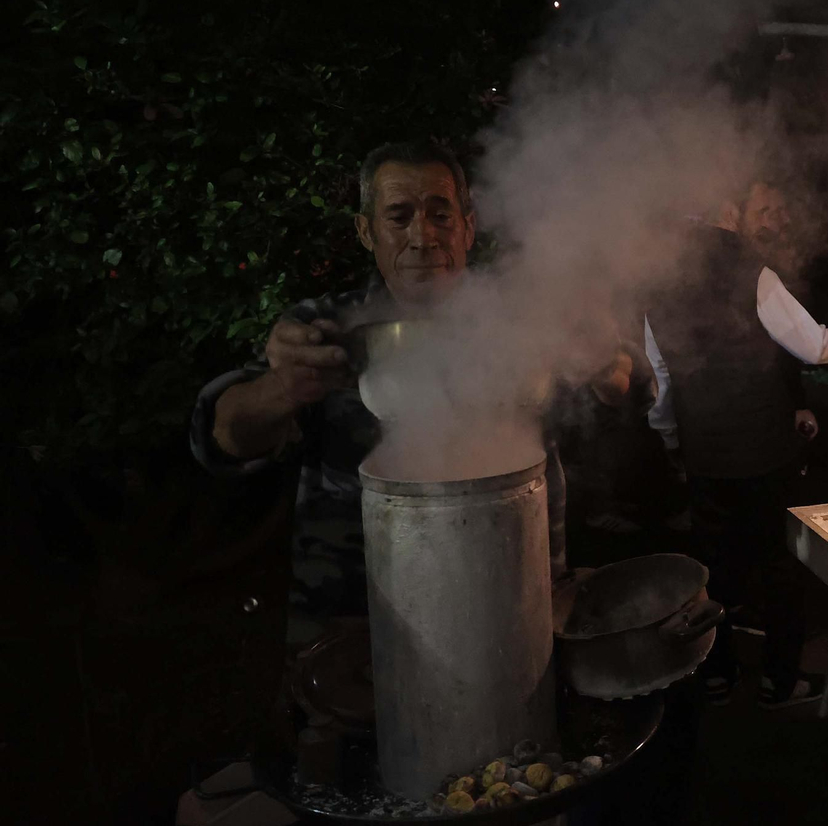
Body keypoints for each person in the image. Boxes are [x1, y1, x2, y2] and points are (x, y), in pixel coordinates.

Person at [190, 139, 564, 643]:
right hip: (362, 622)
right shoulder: (328, 328)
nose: (422, 237)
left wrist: (612, 373)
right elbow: (223, 437)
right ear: (366, 232)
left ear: (469, 225)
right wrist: (284, 387)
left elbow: (618, 402)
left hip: (514, 604)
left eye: (440, 214)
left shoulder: (528, 322)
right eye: (399, 216)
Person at [644, 177, 828, 708]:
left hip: (704, 454)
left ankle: (713, 675)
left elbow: (660, 377)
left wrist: (672, 440)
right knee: (779, 567)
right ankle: (780, 679)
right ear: (727, 212)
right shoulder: (751, 272)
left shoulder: (657, 280)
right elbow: (817, 347)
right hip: (764, 452)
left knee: (712, 570)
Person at [548, 333, 685, 569]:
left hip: (637, 492)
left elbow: (651, 428)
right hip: (591, 505)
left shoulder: (633, 363)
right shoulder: (564, 387)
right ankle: (601, 512)